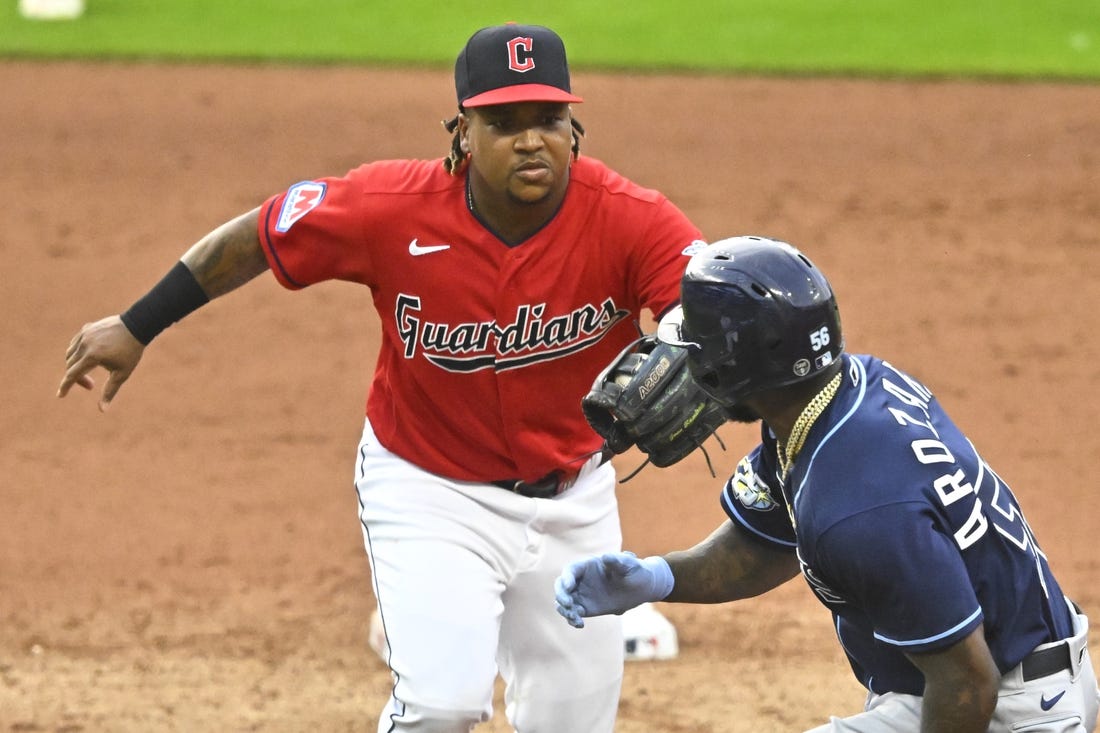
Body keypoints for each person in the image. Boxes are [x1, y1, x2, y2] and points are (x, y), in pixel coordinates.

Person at [57, 23, 708, 733]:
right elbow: (260, 235)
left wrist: (699, 342)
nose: (530, 140)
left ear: (574, 128)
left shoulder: (628, 217)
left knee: (571, 725)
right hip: (431, 490)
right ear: (462, 131)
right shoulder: (390, 206)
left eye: (548, 119)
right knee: (439, 707)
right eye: (504, 122)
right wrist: (138, 323)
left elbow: (710, 298)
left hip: (574, 499)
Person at [555, 236, 1100, 732]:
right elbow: (766, 543)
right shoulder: (840, 395)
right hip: (976, 682)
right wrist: (656, 578)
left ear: (741, 370)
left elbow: (967, 686)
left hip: (1008, 708)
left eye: (697, 352)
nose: (683, 368)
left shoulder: (859, 511)